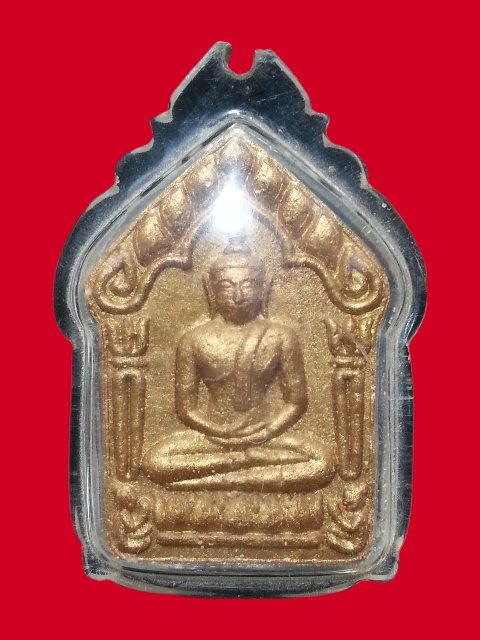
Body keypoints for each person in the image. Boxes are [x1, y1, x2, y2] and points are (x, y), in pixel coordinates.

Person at [142, 237, 335, 491]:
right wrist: (218, 432)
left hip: (267, 437)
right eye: (226, 286)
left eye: (248, 285)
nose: (238, 295)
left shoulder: (280, 336)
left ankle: (216, 478)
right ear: (211, 290)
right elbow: (186, 409)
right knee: (155, 462)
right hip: (213, 439)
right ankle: (249, 470)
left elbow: (296, 402)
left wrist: (267, 431)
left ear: (264, 288)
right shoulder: (194, 340)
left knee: (323, 462)